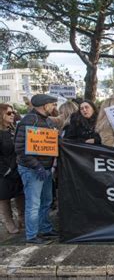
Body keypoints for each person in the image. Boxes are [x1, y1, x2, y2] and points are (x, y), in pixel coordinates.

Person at [14, 94, 59, 244]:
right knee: (33, 204)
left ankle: (45, 229)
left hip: (45, 169)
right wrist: (37, 165)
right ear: (44, 105)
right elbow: (20, 148)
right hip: (32, 169)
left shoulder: (47, 120)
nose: (54, 107)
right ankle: (32, 236)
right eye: (52, 104)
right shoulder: (29, 121)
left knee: (46, 201)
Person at [0, 104, 24, 234]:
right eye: (9, 113)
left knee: (20, 195)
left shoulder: (13, 130)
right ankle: (9, 223)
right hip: (4, 173)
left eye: (13, 112)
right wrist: (6, 170)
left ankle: (22, 220)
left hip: (18, 169)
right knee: (4, 199)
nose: (13, 114)